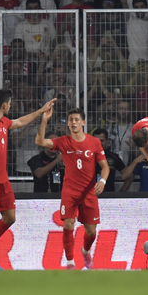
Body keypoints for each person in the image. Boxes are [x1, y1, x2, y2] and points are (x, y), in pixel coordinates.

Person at [0, 89, 56, 270]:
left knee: (9, 217)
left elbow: (20, 122)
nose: (11, 105)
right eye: (10, 103)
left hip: (2, 179)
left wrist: (41, 111)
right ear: (4, 105)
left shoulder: (3, 122)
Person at [35, 107, 110, 270]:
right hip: (70, 191)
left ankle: (85, 251)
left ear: (83, 122)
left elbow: (105, 167)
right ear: (68, 123)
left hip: (89, 193)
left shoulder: (94, 142)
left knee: (91, 232)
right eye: (71, 120)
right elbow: (40, 142)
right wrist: (44, 120)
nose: (74, 122)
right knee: (68, 224)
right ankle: (70, 263)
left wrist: (102, 181)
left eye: (77, 119)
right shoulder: (63, 141)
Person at [92, 128, 125, 192]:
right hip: (90, 195)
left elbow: (128, 176)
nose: (99, 143)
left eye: (102, 140)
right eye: (96, 140)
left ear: (107, 141)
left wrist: (121, 193)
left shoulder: (113, 157)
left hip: (109, 196)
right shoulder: (86, 157)